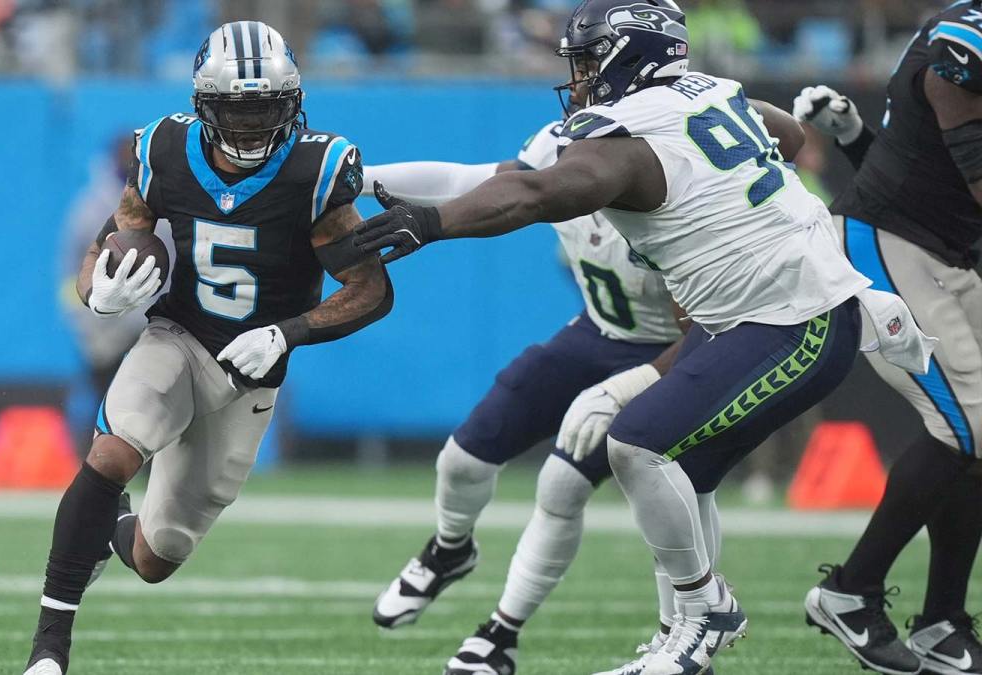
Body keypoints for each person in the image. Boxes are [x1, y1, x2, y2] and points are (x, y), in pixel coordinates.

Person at [353, 2, 933, 673]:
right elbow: (788, 136)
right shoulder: (709, 91)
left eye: (591, 61)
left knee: (635, 443)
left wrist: (435, 224)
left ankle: (702, 610)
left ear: (632, 58)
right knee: (686, 469)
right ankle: (679, 636)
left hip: (795, 317)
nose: (579, 79)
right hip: (758, 314)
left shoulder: (625, 137)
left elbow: (539, 195)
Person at [23, 21, 392, 675]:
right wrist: (97, 292)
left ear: (292, 104)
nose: (251, 127)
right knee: (111, 450)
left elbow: (370, 288)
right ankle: (50, 647)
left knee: (156, 556)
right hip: (179, 334)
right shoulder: (163, 149)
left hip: (251, 374)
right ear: (203, 105)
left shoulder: (313, 169)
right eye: (236, 110)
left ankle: (113, 529)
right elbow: (118, 233)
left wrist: (290, 331)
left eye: (265, 110)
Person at [360, 123, 697, 675]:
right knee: (462, 459)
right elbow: (461, 178)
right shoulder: (554, 143)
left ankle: (499, 635)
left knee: (561, 484)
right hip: (596, 330)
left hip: (670, 351)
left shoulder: (666, 163)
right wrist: (353, 180)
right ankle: (450, 549)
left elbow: (704, 325)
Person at [792, 2, 982, 672]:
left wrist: (854, 135)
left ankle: (941, 622)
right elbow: (970, 170)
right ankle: (851, 589)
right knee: (968, 427)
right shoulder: (967, 39)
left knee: (977, 438)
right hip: (893, 244)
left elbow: (924, 160)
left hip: (947, 248)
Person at [59, 135, 172, 408]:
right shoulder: (88, 209)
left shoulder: (167, 202)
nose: (130, 163)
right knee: (107, 403)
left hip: (155, 319)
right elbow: (69, 270)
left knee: (157, 401)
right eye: (125, 156)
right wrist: (86, 319)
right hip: (104, 327)